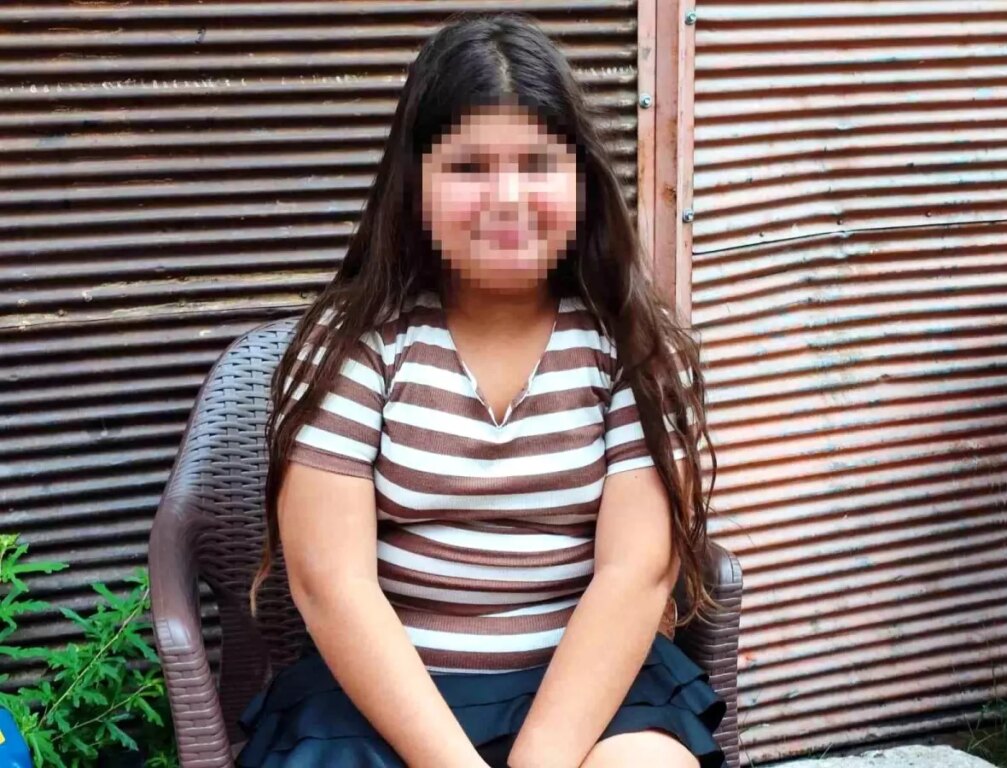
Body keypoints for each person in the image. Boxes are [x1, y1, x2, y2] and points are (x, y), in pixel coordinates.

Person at [237, 11, 727, 768]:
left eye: (537, 163)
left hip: (586, 693)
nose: (507, 197)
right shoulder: (355, 344)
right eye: (468, 167)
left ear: (581, 179)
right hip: (387, 696)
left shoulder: (634, 349)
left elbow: (636, 574)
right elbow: (331, 581)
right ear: (415, 185)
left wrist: (540, 759)